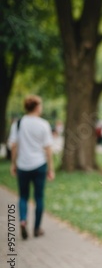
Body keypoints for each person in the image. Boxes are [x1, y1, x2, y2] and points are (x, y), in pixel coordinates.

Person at [8, 95, 55, 240]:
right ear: (37, 107)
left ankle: (23, 220)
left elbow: (14, 146)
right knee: (39, 197)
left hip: (23, 165)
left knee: (23, 196)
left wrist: (13, 163)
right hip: (39, 165)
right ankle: (36, 229)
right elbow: (48, 149)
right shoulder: (43, 124)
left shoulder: (18, 124)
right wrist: (50, 168)